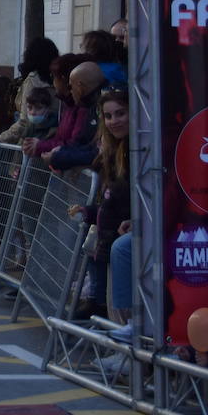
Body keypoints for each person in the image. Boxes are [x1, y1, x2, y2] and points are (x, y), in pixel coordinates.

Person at [68, 88, 129, 321]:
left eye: (120, 113)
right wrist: (88, 212)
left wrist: (137, 221)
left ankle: (123, 348)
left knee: (121, 306)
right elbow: (110, 200)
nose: (114, 121)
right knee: (112, 304)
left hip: (120, 238)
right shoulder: (112, 153)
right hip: (107, 236)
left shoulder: (135, 150)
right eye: (109, 116)